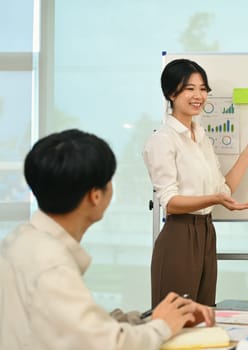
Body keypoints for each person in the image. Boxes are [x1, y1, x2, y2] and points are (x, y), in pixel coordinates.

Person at [0, 129, 215, 350]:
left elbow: (75, 326)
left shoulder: (19, 241)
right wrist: (161, 326)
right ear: (95, 196)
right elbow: (107, 345)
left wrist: (149, 320)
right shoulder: (52, 265)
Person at [143, 58, 248, 308]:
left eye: (202, 88)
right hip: (179, 236)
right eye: (189, 88)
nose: (198, 95)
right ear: (170, 93)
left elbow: (223, 190)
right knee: (179, 323)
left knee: (205, 315)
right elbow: (171, 203)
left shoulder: (200, 137)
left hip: (207, 233)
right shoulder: (163, 140)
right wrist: (215, 199)